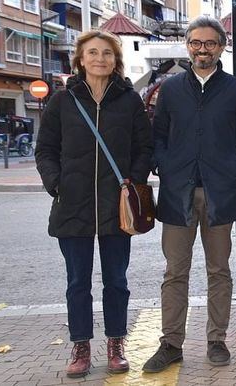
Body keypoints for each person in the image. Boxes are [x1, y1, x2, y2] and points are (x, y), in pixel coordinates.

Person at [143, 16, 236, 372]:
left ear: (221, 47)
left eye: (210, 43)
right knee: (175, 272)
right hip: (177, 194)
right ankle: (171, 344)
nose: (202, 49)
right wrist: (163, 164)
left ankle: (216, 340)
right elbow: (158, 134)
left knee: (218, 271)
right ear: (188, 46)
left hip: (219, 193)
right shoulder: (172, 88)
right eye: (196, 43)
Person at [35, 30, 153, 378]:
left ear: (116, 60)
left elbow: (144, 148)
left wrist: (133, 179)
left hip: (118, 207)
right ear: (80, 59)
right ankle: (81, 346)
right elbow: (45, 150)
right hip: (73, 205)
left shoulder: (130, 101)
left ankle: (116, 343)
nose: (100, 58)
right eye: (93, 53)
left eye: (107, 53)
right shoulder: (62, 101)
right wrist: (57, 184)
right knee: (77, 283)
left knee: (116, 280)